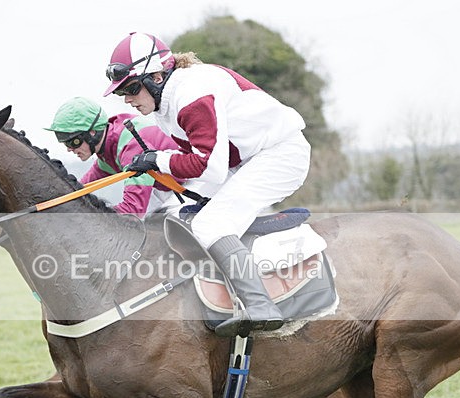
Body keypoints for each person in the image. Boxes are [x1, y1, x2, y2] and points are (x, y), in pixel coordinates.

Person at [103, 32, 311, 337]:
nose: (128, 100)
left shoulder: (191, 94)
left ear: (158, 76)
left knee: (211, 226)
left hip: (279, 154)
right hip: (244, 162)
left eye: (132, 88)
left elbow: (208, 167)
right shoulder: (166, 102)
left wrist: (158, 160)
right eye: (122, 93)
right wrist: (157, 167)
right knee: (183, 216)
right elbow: (198, 163)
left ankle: (261, 306)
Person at [45, 96, 183, 216]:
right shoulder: (108, 149)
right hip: (169, 188)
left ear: (92, 132)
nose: (69, 149)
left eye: (73, 141)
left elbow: (132, 211)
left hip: (193, 186)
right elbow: (79, 189)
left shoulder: (129, 147)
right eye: (65, 143)